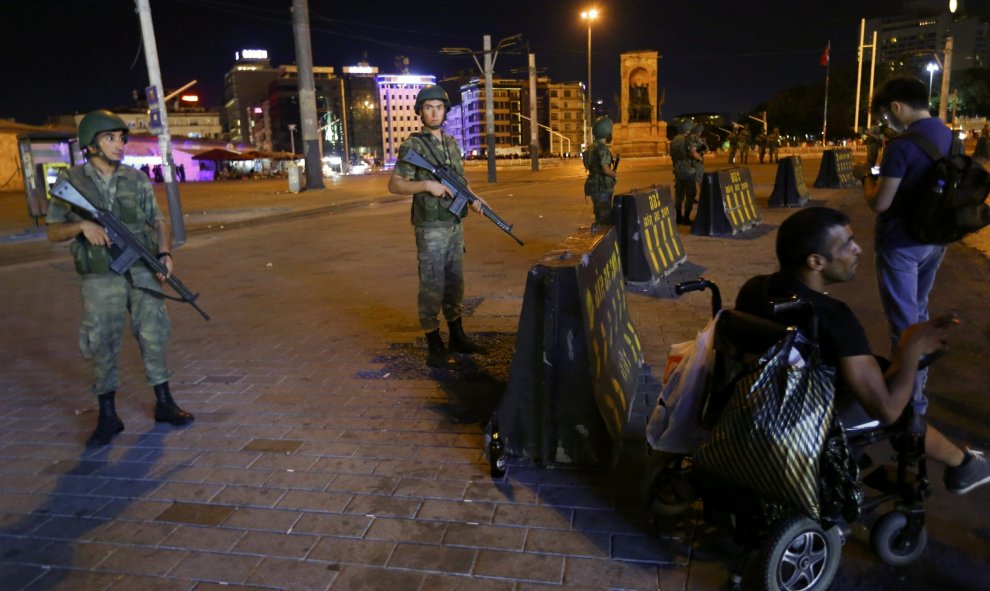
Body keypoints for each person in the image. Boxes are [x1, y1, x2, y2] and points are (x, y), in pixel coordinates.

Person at [736, 207, 988, 494]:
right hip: (804, 417)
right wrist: (910, 348)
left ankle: (963, 464)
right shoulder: (834, 318)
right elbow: (887, 410)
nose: (858, 249)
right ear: (816, 261)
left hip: (760, 400)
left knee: (879, 372)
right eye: (847, 244)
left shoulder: (755, 289)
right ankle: (963, 465)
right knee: (901, 408)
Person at [45, 110, 194, 447]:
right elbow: (52, 231)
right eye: (110, 138)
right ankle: (108, 416)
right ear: (91, 144)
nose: (119, 144)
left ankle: (165, 404)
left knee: (154, 332)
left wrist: (164, 254)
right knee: (102, 341)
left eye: (121, 138)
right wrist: (82, 226)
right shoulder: (73, 182)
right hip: (100, 277)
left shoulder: (136, 179)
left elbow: (159, 222)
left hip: (141, 269)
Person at [852, 77, 977, 479]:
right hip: (935, 241)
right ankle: (917, 387)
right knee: (918, 311)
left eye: (886, 114)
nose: (886, 122)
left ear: (897, 107)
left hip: (901, 245)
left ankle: (910, 407)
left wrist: (866, 179)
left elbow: (880, 203)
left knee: (904, 326)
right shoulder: (948, 136)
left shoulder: (900, 146)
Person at [387, 85, 486, 368]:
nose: (434, 112)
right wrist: (427, 185)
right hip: (430, 226)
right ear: (420, 111)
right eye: (428, 107)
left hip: (453, 224)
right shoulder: (413, 146)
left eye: (439, 107)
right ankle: (434, 344)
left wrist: (475, 199)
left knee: (455, 282)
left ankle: (457, 336)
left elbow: (460, 182)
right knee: (432, 284)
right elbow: (395, 184)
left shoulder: (452, 144)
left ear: (445, 111)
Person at [582, 116, 618, 230]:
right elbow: (605, 169)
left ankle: (598, 231)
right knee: (605, 217)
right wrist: (614, 175)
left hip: (593, 186)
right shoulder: (603, 148)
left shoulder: (591, 148)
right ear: (606, 133)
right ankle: (601, 238)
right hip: (602, 186)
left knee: (599, 213)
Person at [669, 122, 703, 224]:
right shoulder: (687, 139)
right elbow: (693, 153)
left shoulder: (674, 140)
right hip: (688, 170)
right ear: (687, 130)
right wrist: (700, 158)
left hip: (678, 170)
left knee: (679, 194)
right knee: (690, 194)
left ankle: (678, 217)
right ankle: (686, 218)